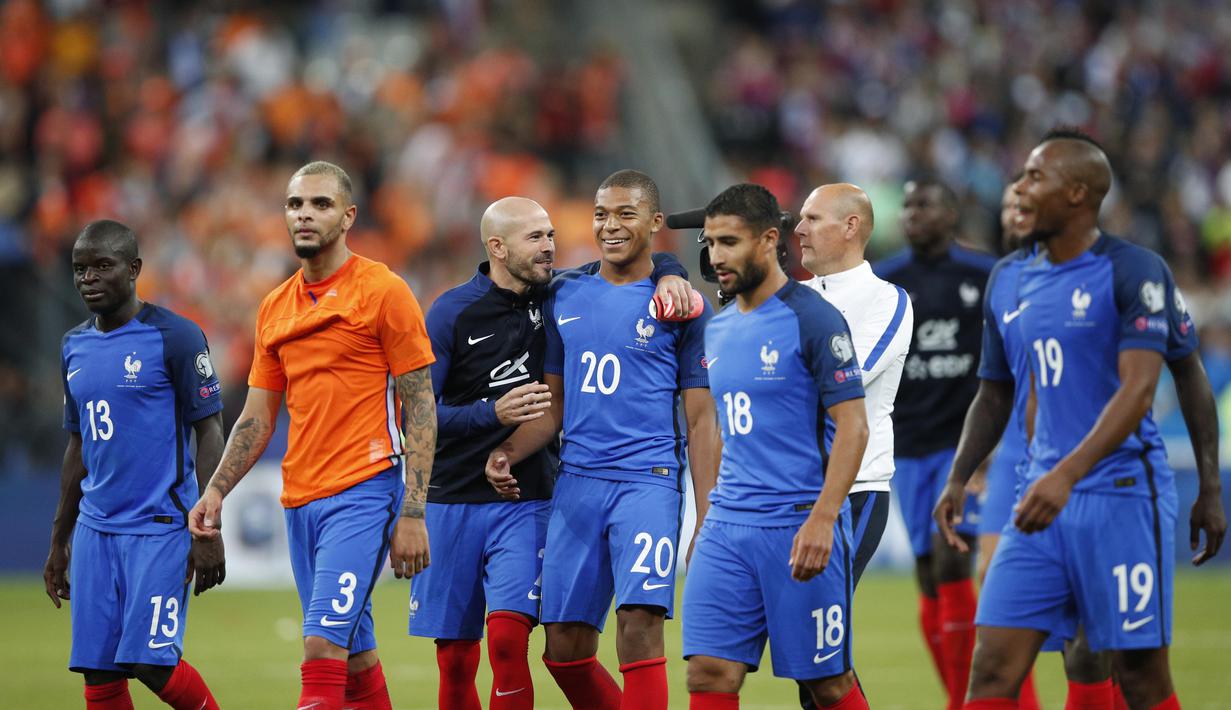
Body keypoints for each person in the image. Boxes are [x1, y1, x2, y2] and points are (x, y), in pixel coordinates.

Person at [935, 128, 1227, 709]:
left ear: (1076, 194)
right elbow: (994, 393)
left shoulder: (1133, 271)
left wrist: (1209, 485)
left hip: (1119, 495)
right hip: (1037, 503)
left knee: (1139, 674)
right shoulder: (1009, 278)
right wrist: (958, 473)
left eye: (1034, 177)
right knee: (991, 668)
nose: (1018, 188)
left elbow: (1145, 387)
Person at [412, 196, 693, 710]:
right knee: (456, 658)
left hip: (532, 495)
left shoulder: (560, 293)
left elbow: (622, 265)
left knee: (508, 642)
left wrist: (672, 269)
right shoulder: (452, 310)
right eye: (535, 238)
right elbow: (418, 418)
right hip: (452, 495)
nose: (549, 247)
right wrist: (490, 417)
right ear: (497, 247)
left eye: (550, 235)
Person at [187, 161, 438, 710]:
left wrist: (414, 511)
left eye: (320, 204)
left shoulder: (383, 291)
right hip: (300, 500)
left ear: (348, 216)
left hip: (365, 491)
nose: (304, 214)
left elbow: (420, 403)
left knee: (322, 644)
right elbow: (257, 417)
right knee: (355, 656)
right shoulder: (275, 307)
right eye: (295, 203)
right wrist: (216, 490)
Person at [485, 169, 720, 710]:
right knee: (563, 650)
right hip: (578, 485)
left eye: (625, 214)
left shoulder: (681, 307)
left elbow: (702, 419)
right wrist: (507, 452)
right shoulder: (564, 292)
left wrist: (705, 513)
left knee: (638, 625)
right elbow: (555, 405)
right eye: (600, 214)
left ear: (656, 223)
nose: (609, 226)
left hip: (647, 483)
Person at [682, 183, 870, 709]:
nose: (716, 257)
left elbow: (853, 426)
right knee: (709, 672)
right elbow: (722, 429)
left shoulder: (812, 319)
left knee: (827, 684)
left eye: (729, 243)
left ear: (769, 240)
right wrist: (707, 517)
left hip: (796, 523)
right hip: (727, 526)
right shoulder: (717, 331)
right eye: (711, 242)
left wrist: (824, 518)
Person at [44, 219, 225, 709]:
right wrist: (60, 540)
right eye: (80, 269)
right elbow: (78, 446)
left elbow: (209, 430)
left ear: (134, 269)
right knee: (99, 674)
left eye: (103, 267)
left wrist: (208, 528)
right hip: (96, 530)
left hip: (160, 527)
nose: (89, 279)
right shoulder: (72, 346)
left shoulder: (177, 337)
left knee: (151, 662)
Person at [874, 178, 996, 708]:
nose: (912, 214)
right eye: (906, 206)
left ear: (951, 213)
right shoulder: (886, 281)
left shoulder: (984, 276)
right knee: (927, 574)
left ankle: (964, 701)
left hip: (962, 446)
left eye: (924, 205)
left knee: (951, 558)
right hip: (908, 446)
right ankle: (957, 691)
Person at [792, 183, 912, 709]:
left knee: (820, 652)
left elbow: (845, 381)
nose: (799, 229)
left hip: (853, 491)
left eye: (813, 218)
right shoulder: (792, 296)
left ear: (851, 227)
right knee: (806, 653)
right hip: (790, 490)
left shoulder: (886, 299)